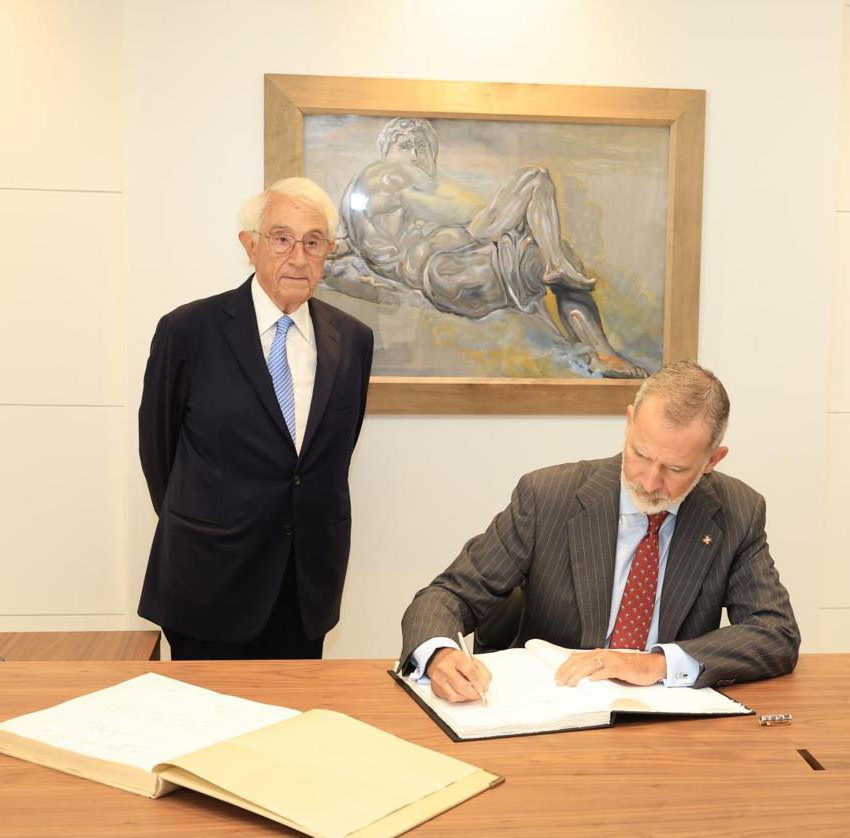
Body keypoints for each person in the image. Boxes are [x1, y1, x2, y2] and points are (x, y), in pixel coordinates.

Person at [400, 361, 800, 701]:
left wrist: (656, 663)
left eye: (675, 469)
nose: (650, 480)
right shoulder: (548, 497)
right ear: (628, 423)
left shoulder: (736, 512)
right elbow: (447, 595)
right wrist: (439, 654)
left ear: (713, 459)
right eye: (641, 454)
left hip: (668, 719)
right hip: (555, 707)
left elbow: (776, 633)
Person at [138, 177, 374, 660]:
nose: (299, 256)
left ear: (328, 252)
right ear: (250, 246)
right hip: (208, 581)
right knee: (201, 730)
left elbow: (328, 457)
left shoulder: (353, 340)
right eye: (282, 238)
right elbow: (158, 451)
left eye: (313, 243)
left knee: (292, 731)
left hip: (305, 586)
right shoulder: (188, 331)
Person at [332, 117, 646, 379]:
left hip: (455, 268)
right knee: (535, 179)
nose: (422, 158)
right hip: (447, 267)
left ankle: (600, 350)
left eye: (425, 150)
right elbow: (454, 212)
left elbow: (348, 249)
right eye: (416, 148)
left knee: (554, 258)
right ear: (402, 148)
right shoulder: (386, 174)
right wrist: (488, 217)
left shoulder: (361, 206)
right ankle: (566, 285)